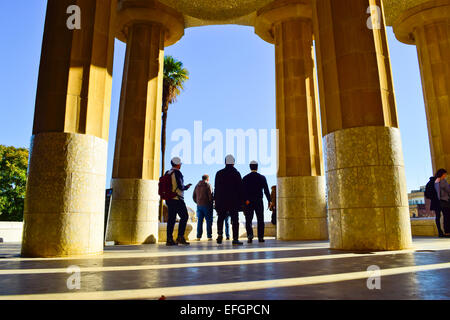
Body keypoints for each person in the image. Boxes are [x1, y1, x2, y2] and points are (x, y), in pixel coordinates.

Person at [214, 155, 244, 245]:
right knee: (235, 220)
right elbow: (240, 189)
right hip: (233, 201)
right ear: (233, 163)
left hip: (221, 200)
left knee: (221, 217)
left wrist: (216, 200)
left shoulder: (219, 173)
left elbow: (216, 188)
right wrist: (241, 202)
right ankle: (235, 239)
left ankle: (219, 234)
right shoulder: (236, 173)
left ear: (225, 162)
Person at [165, 157, 192, 246]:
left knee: (171, 219)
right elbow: (180, 186)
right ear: (178, 164)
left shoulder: (168, 172)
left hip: (169, 199)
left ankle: (169, 239)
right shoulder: (177, 173)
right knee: (184, 216)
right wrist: (186, 187)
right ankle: (180, 237)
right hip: (177, 199)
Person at [242, 161, 271, 243]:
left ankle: (250, 236)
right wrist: (269, 200)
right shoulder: (262, 177)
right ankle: (260, 237)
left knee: (248, 220)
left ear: (250, 167)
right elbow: (266, 190)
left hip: (249, 202)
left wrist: (246, 200)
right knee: (260, 219)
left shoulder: (245, 178)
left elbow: (242, 191)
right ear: (257, 167)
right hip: (259, 201)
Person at [425, 168, 449, 238]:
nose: (445, 176)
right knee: (444, 216)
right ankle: (444, 232)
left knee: (440, 217)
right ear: (442, 174)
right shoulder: (440, 181)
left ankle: (441, 232)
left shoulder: (434, 181)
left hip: (437, 202)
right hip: (441, 202)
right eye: (445, 174)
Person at [193, 174, 214, 241]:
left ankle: (198, 236)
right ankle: (209, 236)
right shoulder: (208, 185)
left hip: (199, 206)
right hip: (207, 205)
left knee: (199, 221)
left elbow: (193, 196)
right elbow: (210, 196)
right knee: (208, 221)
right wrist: (211, 203)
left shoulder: (197, 185)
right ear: (207, 179)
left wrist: (198, 202)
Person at [439, 171, 450, 235]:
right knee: (447, 217)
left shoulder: (437, 182)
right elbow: (448, 190)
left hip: (442, 202)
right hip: (445, 202)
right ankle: (447, 231)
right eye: (445, 174)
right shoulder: (443, 181)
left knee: (445, 217)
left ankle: (446, 231)